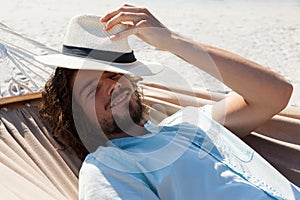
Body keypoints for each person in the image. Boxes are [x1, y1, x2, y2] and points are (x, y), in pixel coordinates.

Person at [37, 4, 300, 200]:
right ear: (75, 115)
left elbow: (276, 93)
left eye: (115, 75)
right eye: (91, 89)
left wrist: (172, 41)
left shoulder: (190, 123)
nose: (112, 86)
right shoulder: (108, 167)